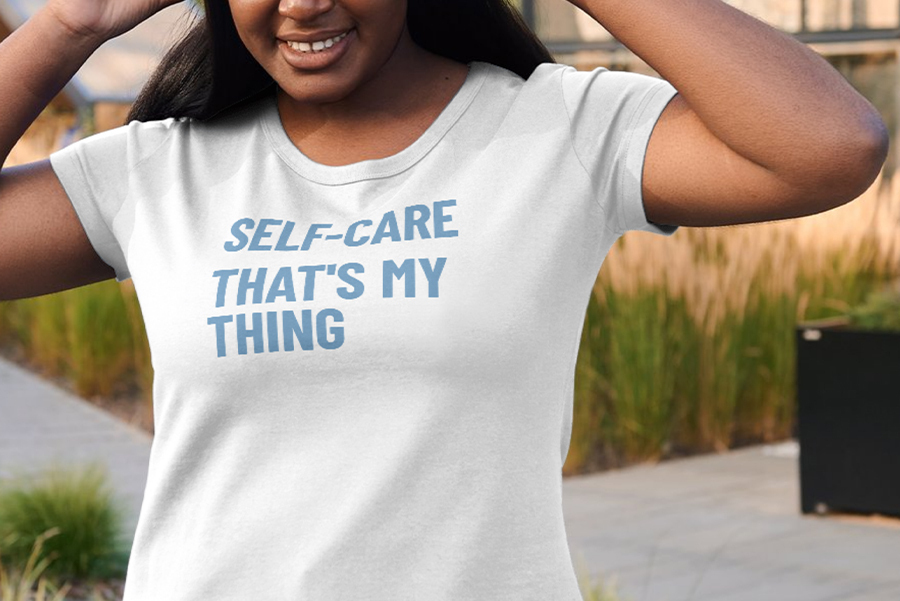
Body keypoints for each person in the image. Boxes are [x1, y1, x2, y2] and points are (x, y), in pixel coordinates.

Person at [0, 0, 887, 597]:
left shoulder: (557, 128)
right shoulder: (160, 166)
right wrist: (71, 25)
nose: (303, 2)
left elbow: (831, 147)